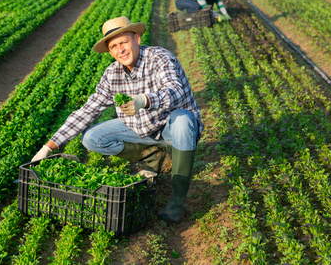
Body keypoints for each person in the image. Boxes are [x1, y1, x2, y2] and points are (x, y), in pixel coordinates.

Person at [31, 16, 204, 224]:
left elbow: (175, 90)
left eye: (123, 42)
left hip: (170, 127)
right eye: (113, 46)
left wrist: (144, 100)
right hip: (141, 129)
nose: (120, 50)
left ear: (137, 39)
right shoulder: (112, 75)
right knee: (92, 137)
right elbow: (88, 110)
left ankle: (177, 201)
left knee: (184, 119)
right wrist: (49, 147)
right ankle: (157, 160)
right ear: (110, 52)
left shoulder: (159, 58)